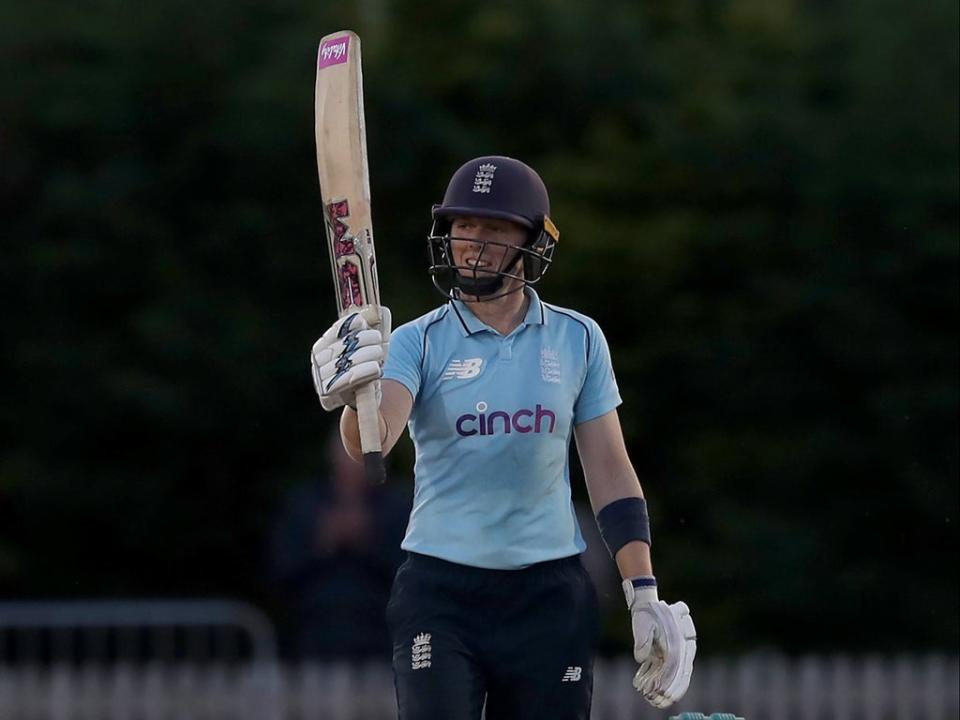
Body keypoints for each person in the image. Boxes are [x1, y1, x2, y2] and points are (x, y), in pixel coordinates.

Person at [310, 156, 696, 718]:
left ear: (532, 240)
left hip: (548, 595)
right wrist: (353, 394)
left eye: (495, 229)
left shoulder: (579, 338)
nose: (474, 242)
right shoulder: (417, 340)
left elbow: (610, 469)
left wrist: (642, 590)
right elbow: (373, 437)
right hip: (440, 593)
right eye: (464, 226)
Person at [267, 429, 410, 662]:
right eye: (349, 454)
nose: (355, 465)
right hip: (313, 633)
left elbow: (411, 574)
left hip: (381, 637)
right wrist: (321, 544)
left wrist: (368, 542)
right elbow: (281, 568)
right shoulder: (304, 505)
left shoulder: (397, 508)